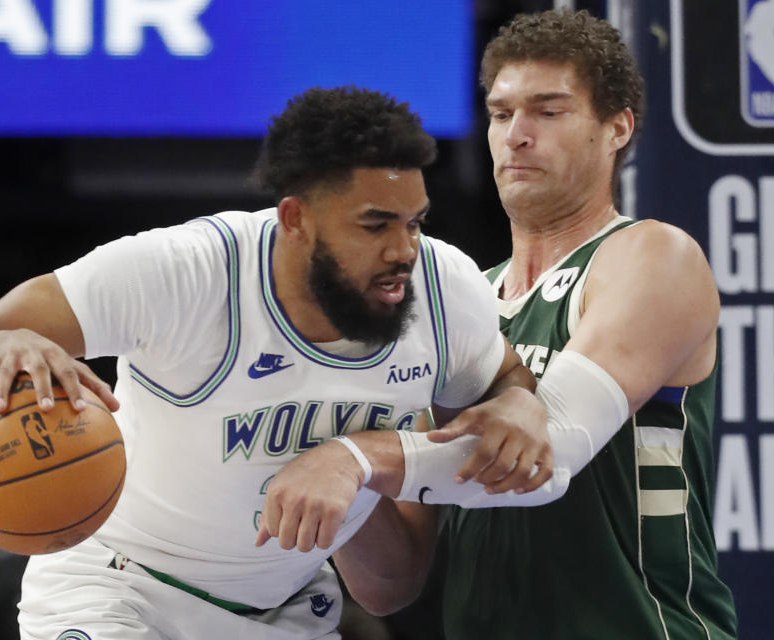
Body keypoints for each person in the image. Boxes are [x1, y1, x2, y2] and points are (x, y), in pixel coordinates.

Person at [0, 86, 554, 640]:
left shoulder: (445, 291)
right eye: (374, 225)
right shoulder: (180, 273)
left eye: (414, 222)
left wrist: (515, 404)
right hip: (119, 588)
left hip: (285, 610)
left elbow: (390, 588)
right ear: (294, 219)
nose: (404, 249)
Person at [257, 9, 738, 640]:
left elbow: (553, 446)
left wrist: (353, 456)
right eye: (502, 113)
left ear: (617, 127)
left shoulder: (653, 257)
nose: (517, 135)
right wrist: (323, 424)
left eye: (549, 110)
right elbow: (387, 586)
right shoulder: (462, 303)